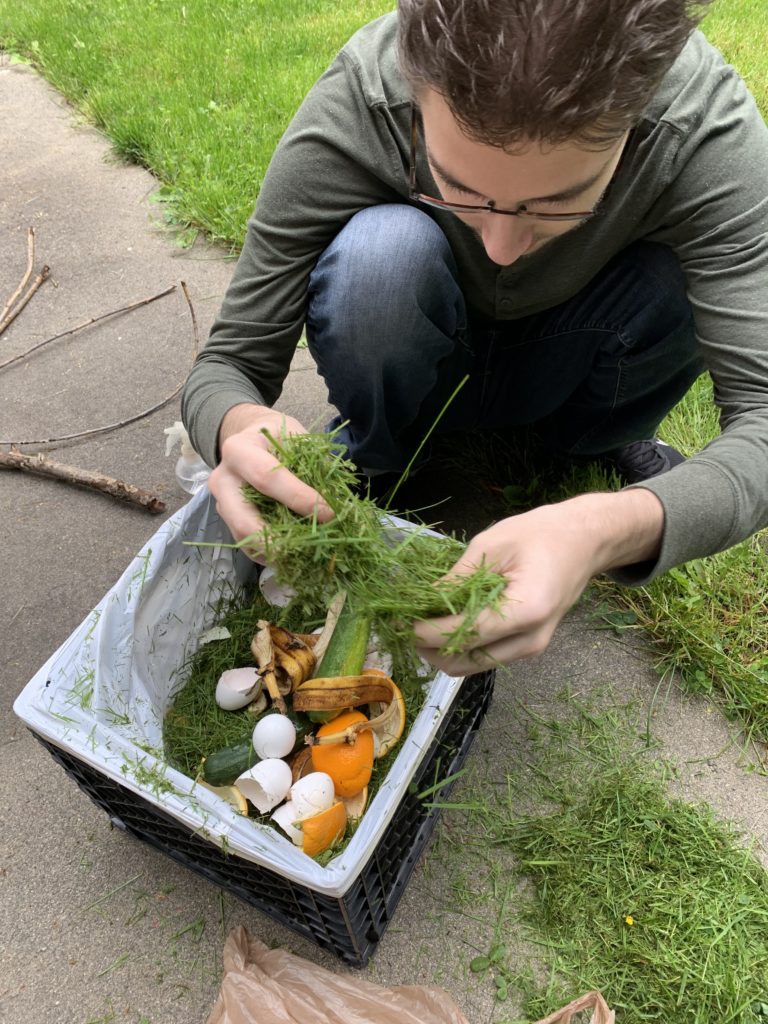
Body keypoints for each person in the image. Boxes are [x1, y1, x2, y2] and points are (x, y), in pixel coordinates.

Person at [181, 0, 768, 675]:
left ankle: (593, 444)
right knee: (379, 257)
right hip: (423, 348)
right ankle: (382, 454)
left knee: (676, 281)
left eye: (556, 202)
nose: (502, 248)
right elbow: (228, 361)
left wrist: (611, 529)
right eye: (455, 186)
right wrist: (234, 423)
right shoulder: (363, 97)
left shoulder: (704, 128)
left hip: (582, 350)